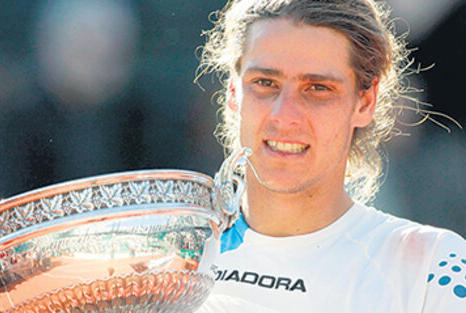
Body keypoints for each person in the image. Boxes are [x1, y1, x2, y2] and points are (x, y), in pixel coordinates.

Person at [195, 0, 466, 312]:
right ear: (232, 92)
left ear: (365, 102)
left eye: (318, 88)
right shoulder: (164, 258)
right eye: (265, 83)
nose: (284, 116)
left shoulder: (432, 269)